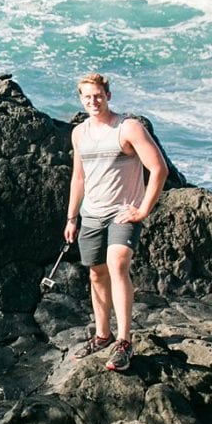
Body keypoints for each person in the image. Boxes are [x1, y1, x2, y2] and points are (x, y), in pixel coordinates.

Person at [62, 72, 167, 372]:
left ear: (108, 95)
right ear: (81, 99)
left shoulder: (128, 128)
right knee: (96, 275)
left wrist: (143, 209)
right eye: (87, 96)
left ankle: (124, 342)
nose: (93, 101)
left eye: (98, 95)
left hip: (123, 213)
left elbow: (158, 169)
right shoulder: (79, 134)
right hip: (91, 214)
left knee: (117, 265)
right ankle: (102, 335)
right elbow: (78, 178)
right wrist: (72, 217)